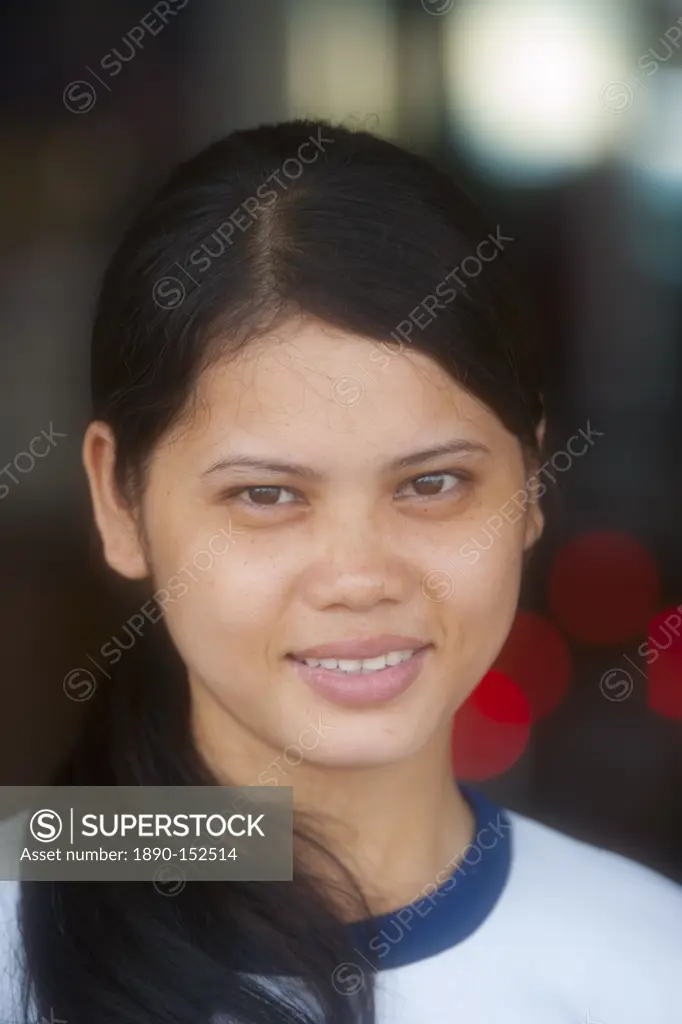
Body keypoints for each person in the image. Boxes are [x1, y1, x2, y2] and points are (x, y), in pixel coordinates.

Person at [1, 118, 680, 1024]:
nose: (359, 577)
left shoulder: (650, 961)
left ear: (533, 483)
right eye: (267, 496)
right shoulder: (21, 924)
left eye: (433, 483)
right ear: (119, 503)